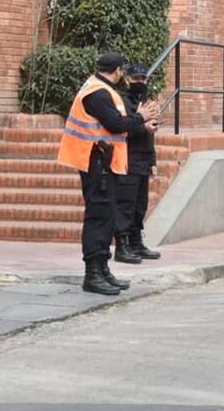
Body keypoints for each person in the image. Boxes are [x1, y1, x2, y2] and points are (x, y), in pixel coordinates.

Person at [58, 52, 160, 295]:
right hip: (96, 163)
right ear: (118, 72)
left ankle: (102, 269)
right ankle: (93, 273)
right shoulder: (98, 93)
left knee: (105, 217)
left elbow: (117, 124)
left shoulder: (101, 90)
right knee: (98, 218)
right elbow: (116, 123)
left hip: (104, 163)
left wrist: (139, 123)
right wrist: (141, 117)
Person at [114, 64, 161, 264]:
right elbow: (121, 129)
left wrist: (152, 160)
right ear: (127, 80)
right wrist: (142, 125)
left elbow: (149, 134)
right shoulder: (122, 102)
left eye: (143, 79)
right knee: (126, 203)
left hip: (142, 159)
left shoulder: (145, 102)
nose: (140, 83)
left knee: (139, 204)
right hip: (127, 158)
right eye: (136, 79)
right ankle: (122, 246)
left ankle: (135, 242)